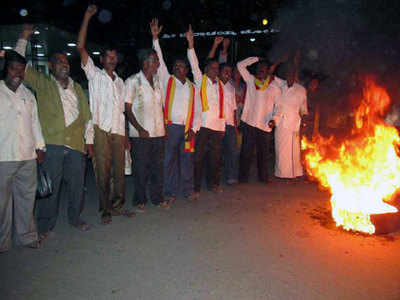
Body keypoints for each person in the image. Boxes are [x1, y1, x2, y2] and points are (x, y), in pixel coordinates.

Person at [15, 25, 94, 239]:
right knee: (51, 187)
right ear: (50, 66)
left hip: (76, 145)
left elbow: (87, 116)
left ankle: (75, 218)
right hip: (53, 144)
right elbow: (19, 65)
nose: (64, 64)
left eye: (66, 61)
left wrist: (89, 141)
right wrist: (23, 38)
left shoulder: (77, 88)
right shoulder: (43, 83)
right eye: (59, 61)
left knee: (77, 186)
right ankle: (45, 224)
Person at [77, 5, 134, 225]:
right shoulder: (94, 75)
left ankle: (118, 205)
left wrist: (127, 134)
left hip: (118, 130)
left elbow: (122, 111)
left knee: (119, 171)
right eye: (108, 57)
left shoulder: (120, 82)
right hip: (101, 129)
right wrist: (87, 16)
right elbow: (81, 46)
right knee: (103, 171)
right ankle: (105, 209)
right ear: (101, 60)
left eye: (114, 57)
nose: (111, 59)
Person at [150, 19, 201, 202]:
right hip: (170, 129)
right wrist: (155, 38)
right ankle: (169, 192)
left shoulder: (193, 87)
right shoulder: (167, 81)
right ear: (173, 70)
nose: (180, 69)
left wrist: (194, 129)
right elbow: (160, 60)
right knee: (168, 162)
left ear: (187, 69)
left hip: (187, 129)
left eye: (183, 66)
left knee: (187, 161)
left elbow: (198, 111)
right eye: (176, 67)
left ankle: (188, 190)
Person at [0, 50, 45, 252]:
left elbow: (35, 123)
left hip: (27, 155)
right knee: (2, 203)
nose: (17, 73)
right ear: (5, 69)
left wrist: (40, 146)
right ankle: (3, 241)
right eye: (13, 69)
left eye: (21, 70)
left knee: (27, 199)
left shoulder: (28, 95)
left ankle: (27, 236)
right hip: (4, 156)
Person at [125, 47, 170, 212]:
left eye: (157, 60)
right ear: (145, 62)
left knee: (158, 168)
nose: (158, 63)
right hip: (141, 135)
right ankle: (139, 199)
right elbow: (128, 109)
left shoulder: (157, 81)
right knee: (141, 169)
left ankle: (157, 198)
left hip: (158, 133)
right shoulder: (132, 81)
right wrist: (139, 128)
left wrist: (164, 126)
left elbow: (161, 106)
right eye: (155, 60)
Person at [186, 25, 226, 196]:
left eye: (218, 69)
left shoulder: (221, 85)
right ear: (207, 70)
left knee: (215, 159)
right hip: (202, 126)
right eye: (213, 68)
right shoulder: (200, 80)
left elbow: (221, 108)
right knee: (199, 158)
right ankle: (195, 187)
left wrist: (223, 127)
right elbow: (195, 63)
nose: (216, 71)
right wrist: (190, 44)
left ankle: (213, 184)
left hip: (217, 127)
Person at [236, 56, 282, 183]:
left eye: (264, 68)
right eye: (259, 67)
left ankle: (263, 178)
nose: (261, 69)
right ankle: (242, 178)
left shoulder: (274, 87)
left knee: (263, 154)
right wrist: (256, 58)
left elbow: (279, 107)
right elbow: (240, 65)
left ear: (268, 71)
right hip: (249, 123)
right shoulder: (251, 80)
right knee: (246, 153)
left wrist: (274, 119)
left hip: (265, 125)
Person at [270, 62, 308, 179]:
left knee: (294, 151)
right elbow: (269, 75)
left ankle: (295, 174)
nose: (290, 76)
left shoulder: (301, 90)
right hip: (281, 123)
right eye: (288, 74)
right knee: (281, 150)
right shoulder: (279, 86)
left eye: (292, 74)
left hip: (294, 124)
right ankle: (281, 174)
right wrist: (276, 63)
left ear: (295, 75)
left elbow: (303, 109)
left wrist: (304, 122)